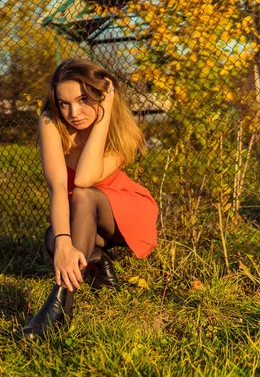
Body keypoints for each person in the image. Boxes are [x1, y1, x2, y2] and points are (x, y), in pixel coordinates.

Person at [21, 58, 159, 339]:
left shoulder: (124, 135)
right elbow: (59, 187)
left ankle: (60, 303)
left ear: (102, 96)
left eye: (84, 99)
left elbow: (83, 180)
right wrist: (62, 243)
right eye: (64, 103)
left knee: (83, 196)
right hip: (82, 218)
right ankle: (97, 259)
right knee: (52, 239)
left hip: (122, 214)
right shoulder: (51, 123)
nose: (73, 112)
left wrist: (104, 117)